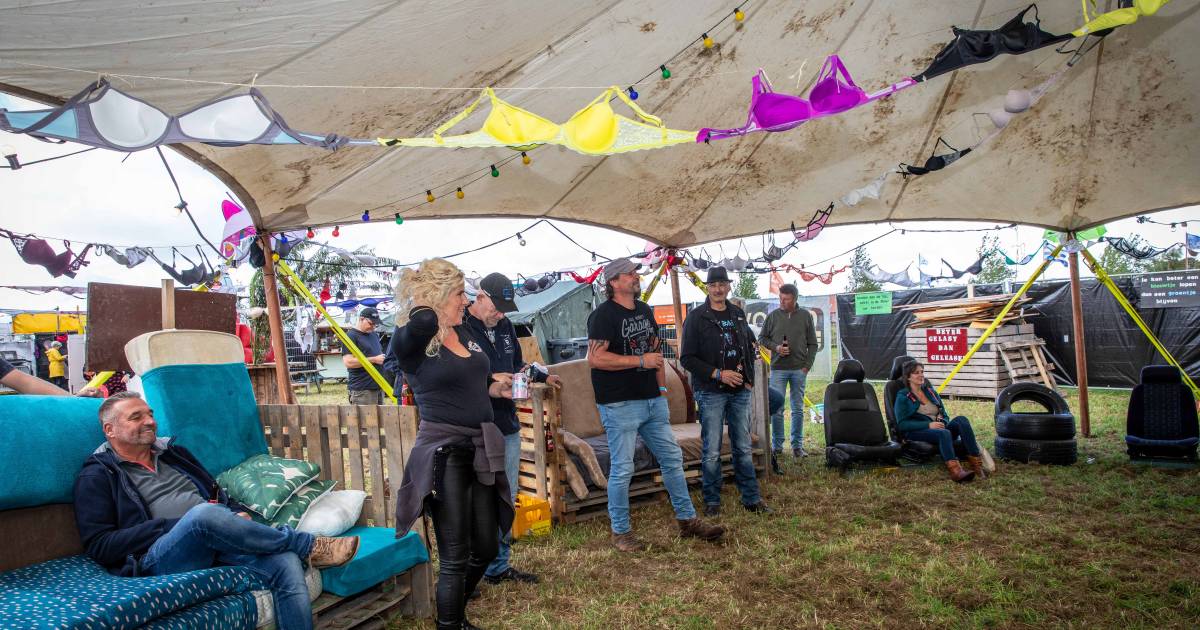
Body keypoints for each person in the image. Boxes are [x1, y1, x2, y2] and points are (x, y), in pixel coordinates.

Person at [73, 391, 359, 630]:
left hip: (216, 538)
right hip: (160, 556)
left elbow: (214, 492)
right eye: (136, 417)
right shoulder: (98, 475)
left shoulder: (174, 453)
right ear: (110, 430)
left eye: (150, 414)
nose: (149, 421)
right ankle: (307, 545)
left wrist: (233, 512)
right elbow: (99, 546)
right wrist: (173, 525)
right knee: (202, 516)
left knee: (284, 561)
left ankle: (295, 551)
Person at [388, 258, 514, 630]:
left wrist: (496, 388)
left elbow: (473, 380)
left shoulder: (465, 331)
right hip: (445, 453)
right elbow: (422, 322)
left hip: (478, 447)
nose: (466, 300)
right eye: (459, 293)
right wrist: (426, 302)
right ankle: (450, 622)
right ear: (438, 295)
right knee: (455, 556)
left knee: (486, 546)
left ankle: (454, 615)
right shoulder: (412, 340)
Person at [587, 257, 725, 552]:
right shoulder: (602, 315)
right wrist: (640, 361)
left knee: (672, 458)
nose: (636, 276)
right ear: (614, 282)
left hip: (652, 400)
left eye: (635, 272)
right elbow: (596, 358)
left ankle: (687, 520)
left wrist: (662, 390)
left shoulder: (645, 310)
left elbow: (656, 353)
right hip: (619, 403)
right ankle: (621, 533)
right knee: (622, 468)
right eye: (630, 274)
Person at [461, 272, 561, 587]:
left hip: (507, 424)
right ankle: (469, 571)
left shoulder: (505, 326)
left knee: (506, 496)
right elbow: (457, 377)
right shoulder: (458, 327)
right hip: (473, 427)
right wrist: (490, 380)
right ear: (479, 297)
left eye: (505, 308)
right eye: (496, 307)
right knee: (473, 499)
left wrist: (540, 375)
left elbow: (518, 364)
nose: (501, 314)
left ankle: (498, 567)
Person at [680, 266, 770, 517]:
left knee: (743, 446)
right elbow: (687, 358)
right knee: (711, 449)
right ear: (707, 288)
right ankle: (712, 501)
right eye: (713, 285)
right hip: (711, 392)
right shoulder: (696, 318)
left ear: (729, 286)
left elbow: (750, 347)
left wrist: (749, 380)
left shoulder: (737, 314)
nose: (718, 289)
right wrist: (719, 374)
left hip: (740, 391)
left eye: (722, 284)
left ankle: (751, 498)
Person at [893, 361, 985, 482]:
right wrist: (929, 425)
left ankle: (977, 464)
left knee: (961, 420)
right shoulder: (903, 397)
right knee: (944, 433)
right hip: (917, 431)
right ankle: (956, 472)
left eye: (922, 372)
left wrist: (943, 421)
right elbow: (902, 424)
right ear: (908, 377)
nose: (921, 375)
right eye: (916, 373)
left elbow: (945, 414)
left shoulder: (931, 392)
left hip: (938, 429)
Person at [758, 284, 818, 457]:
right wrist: (776, 348)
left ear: (795, 299)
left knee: (797, 408)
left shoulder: (805, 316)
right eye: (780, 298)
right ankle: (777, 446)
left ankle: (797, 446)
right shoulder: (773, 316)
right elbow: (762, 338)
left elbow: (813, 344)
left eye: (786, 299)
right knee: (777, 408)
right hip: (778, 369)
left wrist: (807, 365)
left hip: (799, 369)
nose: (782, 302)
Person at [342, 306, 386, 405]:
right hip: (362, 389)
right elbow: (348, 362)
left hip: (379, 387)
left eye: (375, 324)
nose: (373, 327)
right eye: (371, 323)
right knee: (365, 416)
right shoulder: (351, 336)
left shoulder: (374, 335)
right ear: (361, 319)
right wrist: (374, 359)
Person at [1, 355, 100, 396]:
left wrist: (74, 400)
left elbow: (25, 382)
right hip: (56, 370)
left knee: (58, 382)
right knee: (58, 382)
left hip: (55, 371)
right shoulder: (54, 351)